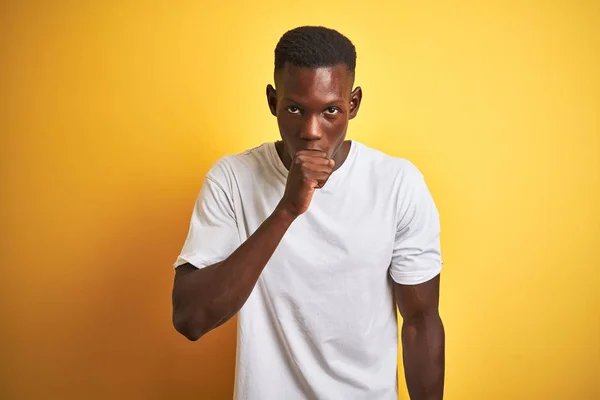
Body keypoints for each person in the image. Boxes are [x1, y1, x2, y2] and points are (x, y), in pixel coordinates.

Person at [171, 26, 445, 400]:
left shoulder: (397, 184)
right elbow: (191, 318)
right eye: (294, 109)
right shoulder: (232, 180)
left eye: (330, 110)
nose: (311, 131)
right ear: (272, 101)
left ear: (354, 103)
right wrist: (287, 209)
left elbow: (420, 322)